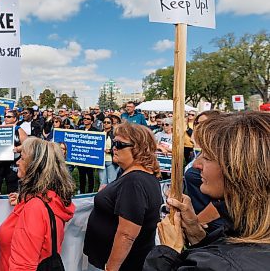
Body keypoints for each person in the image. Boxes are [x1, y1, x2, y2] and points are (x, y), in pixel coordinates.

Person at [144, 111, 270, 270]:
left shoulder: (221, 264)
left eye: (208, 157)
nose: (196, 164)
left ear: (239, 170)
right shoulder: (247, 233)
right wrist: (197, 235)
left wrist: (166, 253)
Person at [84, 122, 162, 271]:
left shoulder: (134, 181)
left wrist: (111, 268)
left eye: (119, 144)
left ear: (138, 148)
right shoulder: (135, 176)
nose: (114, 147)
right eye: (114, 142)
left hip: (118, 264)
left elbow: (127, 234)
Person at [0, 138, 75, 270]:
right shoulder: (51, 199)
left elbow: (23, 266)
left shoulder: (35, 208)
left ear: (34, 166)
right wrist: (23, 199)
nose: (18, 162)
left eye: (22, 158)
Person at [77, 114, 99, 194]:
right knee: (81, 176)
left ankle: (90, 191)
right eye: (84, 118)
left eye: (88, 118)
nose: (85, 120)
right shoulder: (80, 130)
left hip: (90, 158)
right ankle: (82, 192)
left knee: (90, 176)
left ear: (92, 121)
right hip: (81, 157)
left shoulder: (95, 131)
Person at [98, 116, 119, 187]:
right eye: (104, 122)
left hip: (111, 161)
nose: (106, 124)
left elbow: (118, 147)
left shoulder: (115, 134)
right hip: (101, 161)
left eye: (108, 122)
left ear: (112, 124)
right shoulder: (99, 133)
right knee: (102, 182)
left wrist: (110, 151)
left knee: (112, 181)